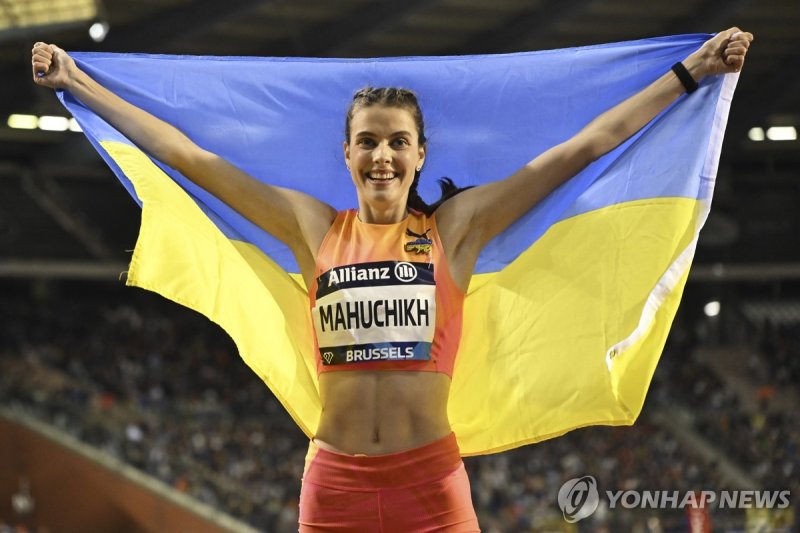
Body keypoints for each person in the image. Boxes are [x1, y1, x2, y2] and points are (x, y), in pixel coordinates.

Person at [32, 27, 752, 532]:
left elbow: (583, 148)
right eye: (368, 141)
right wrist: (78, 83)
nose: (383, 155)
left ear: (419, 155)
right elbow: (189, 158)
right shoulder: (312, 227)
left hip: (431, 487)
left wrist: (691, 71)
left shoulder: (455, 230)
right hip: (334, 487)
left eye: (397, 142)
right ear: (346, 154)